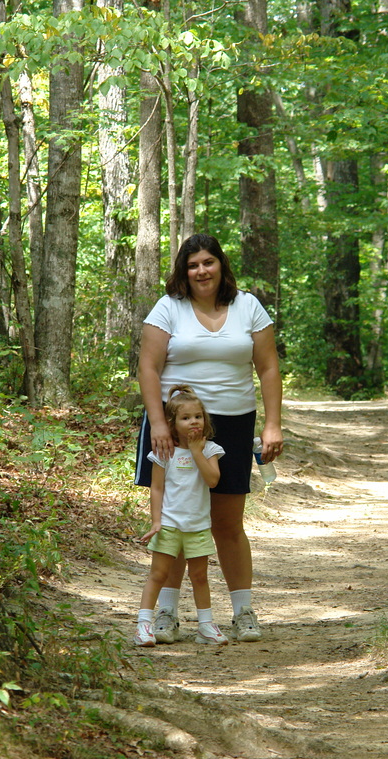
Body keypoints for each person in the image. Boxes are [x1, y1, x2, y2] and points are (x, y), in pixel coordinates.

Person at [136, 233, 283, 644]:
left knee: (227, 522)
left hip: (233, 424)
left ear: (221, 265)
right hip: (175, 427)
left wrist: (272, 424)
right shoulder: (168, 309)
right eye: (193, 264)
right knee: (176, 521)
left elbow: (268, 369)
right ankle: (165, 613)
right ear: (184, 272)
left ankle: (243, 611)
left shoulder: (248, 306)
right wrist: (160, 425)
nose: (202, 270)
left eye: (208, 262)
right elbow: (148, 369)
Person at [135, 386, 228, 646]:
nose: (193, 422)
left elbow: (212, 481)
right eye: (185, 418)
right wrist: (156, 521)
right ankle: (143, 625)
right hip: (169, 525)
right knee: (158, 574)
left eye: (198, 416)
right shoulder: (165, 452)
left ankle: (206, 626)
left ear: (205, 420)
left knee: (199, 576)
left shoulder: (210, 450)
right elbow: (157, 488)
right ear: (172, 424)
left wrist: (197, 451)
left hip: (198, 526)